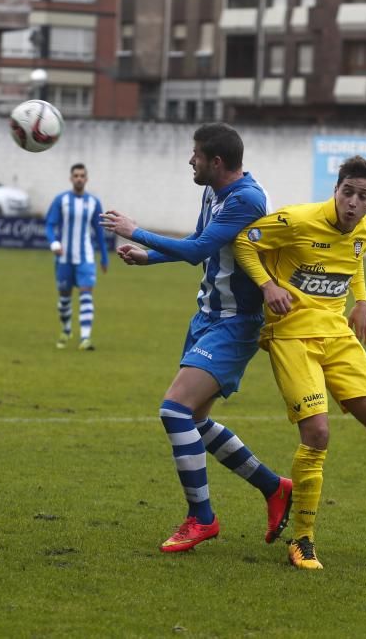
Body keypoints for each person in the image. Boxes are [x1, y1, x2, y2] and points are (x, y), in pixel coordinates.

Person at [234, 155, 366, 570]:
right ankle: (303, 540)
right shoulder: (296, 220)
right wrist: (267, 285)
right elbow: (245, 241)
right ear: (336, 190)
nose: (352, 201)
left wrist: (362, 301)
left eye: (362, 196)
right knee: (318, 431)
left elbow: (355, 257)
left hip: (337, 335)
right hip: (292, 335)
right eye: (347, 191)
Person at [100, 123, 292, 553]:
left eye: (196, 155)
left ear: (216, 162)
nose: (190, 160)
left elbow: (197, 250)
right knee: (196, 421)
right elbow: (197, 246)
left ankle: (201, 518)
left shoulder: (246, 199)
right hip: (206, 318)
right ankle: (274, 487)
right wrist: (147, 257)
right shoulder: (214, 191)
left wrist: (136, 231)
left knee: (174, 411)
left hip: (235, 323)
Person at [45, 163, 108, 351]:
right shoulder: (61, 200)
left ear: (86, 179)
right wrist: (54, 243)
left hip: (85, 257)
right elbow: (49, 224)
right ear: (71, 178)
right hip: (64, 258)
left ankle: (85, 338)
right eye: (76, 175)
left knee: (86, 294)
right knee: (64, 299)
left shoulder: (94, 202)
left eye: (82, 175)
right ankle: (66, 330)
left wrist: (104, 257)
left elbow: (99, 232)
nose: (79, 178)